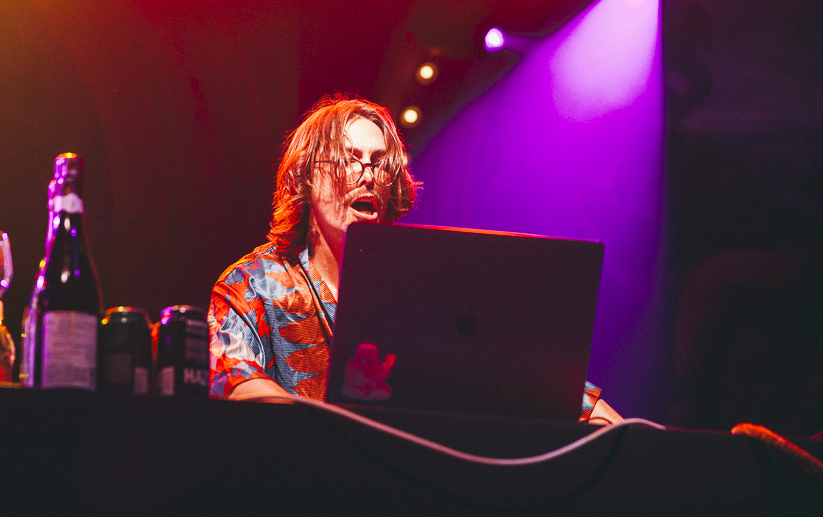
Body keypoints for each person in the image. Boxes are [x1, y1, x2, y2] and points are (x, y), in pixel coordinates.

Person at [207, 95, 623, 424]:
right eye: (350, 158)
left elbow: (536, 376)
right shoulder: (254, 282)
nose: (367, 173)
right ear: (305, 177)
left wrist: (614, 428)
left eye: (379, 163)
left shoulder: (431, 286)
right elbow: (235, 380)